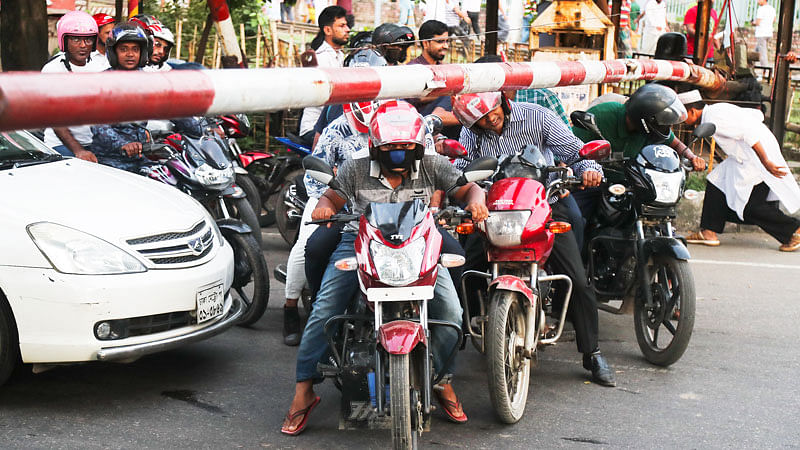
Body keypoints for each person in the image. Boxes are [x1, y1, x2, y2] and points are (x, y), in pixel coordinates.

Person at [280, 100, 487, 435]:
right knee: (324, 310)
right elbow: (332, 197)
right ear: (375, 147)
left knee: (451, 313)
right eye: (391, 148)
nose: (399, 155)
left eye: (407, 148)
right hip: (360, 240)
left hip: (418, 242)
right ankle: (304, 390)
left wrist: (476, 202)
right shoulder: (356, 166)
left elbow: (468, 188)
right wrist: (321, 207)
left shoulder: (433, 164)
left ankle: (441, 378)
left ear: (419, 148)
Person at [451, 91, 617, 387]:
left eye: (494, 114)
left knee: (576, 278)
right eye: (481, 121)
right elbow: (459, 170)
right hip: (496, 210)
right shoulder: (469, 133)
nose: (491, 121)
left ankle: (592, 352)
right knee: (465, 268)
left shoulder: (538, 116)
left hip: (547, 201)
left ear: (503, 103)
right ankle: (457, 340)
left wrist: (589, 169)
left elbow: (575, 152)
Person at [677, 91, 800, 252]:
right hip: (744, 156)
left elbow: (748, 134)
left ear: (692, 111)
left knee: (751, 206)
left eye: (682, 115)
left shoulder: (715, 118)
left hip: (755, 156)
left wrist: (765, 161)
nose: (680, 120)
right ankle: (708, 231)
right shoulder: (713, 113)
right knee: (716, 179)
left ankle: (794, 230)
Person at [571, 83, 705, 219]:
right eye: (663, 122)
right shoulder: (603, 115)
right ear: (646, 119)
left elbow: (674, 142)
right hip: (595, 182)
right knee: (575, 219)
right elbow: (570, 146)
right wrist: (585, 172)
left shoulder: (653, 130)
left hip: (634, 184)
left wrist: (692, 157)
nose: (666, 127)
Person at [90, 24, 202, 174]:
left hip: (143, 155)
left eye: (135, 49)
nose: (130, 54)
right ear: (113, 52)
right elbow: (98, 125)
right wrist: (123, 144)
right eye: (124, 49)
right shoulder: (102, 82)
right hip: (111, 160)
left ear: (142, 53)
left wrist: (201, 130)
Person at [41, 10, 109, 162]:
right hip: (60, 145)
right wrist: (78, 150)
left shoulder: (101, 67)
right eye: (76, 40)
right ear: (64, 41)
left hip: (96, 144)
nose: (83, 45)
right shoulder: (53, 70)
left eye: (88, 40)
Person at [298, 6, 349, 147]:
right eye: (342, 26)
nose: (347, 29)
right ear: (327, 30)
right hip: (315, 127)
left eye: (346, 25)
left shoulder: (339, 56)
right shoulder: (321, 59)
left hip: (333, 124)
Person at [753, 0, 776, 67]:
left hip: (761, 33)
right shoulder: (772, 9)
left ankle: (765, 68)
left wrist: (753, 23)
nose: (757, 1)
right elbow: (774, 20)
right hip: (769, 33)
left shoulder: (761, 9)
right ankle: (750, 65)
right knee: (757, 50)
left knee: (762, 53)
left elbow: (758, 22)